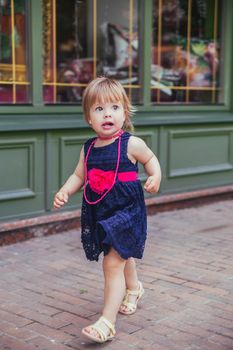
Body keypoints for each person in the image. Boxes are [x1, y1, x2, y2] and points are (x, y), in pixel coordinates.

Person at [53, 77, 161, 343]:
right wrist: (66, 190)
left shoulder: (130, 144)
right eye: (99, 109)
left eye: (114, 107)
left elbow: (151, 159)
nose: (107, 114)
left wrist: (155, 176)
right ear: (89, 118)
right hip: (100, 210)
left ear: (125, 112)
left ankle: (106, 323)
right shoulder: (88, 148)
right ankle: (134, 288)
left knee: (112, 262)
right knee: (120, 253)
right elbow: (79, 175)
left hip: (127, 210)